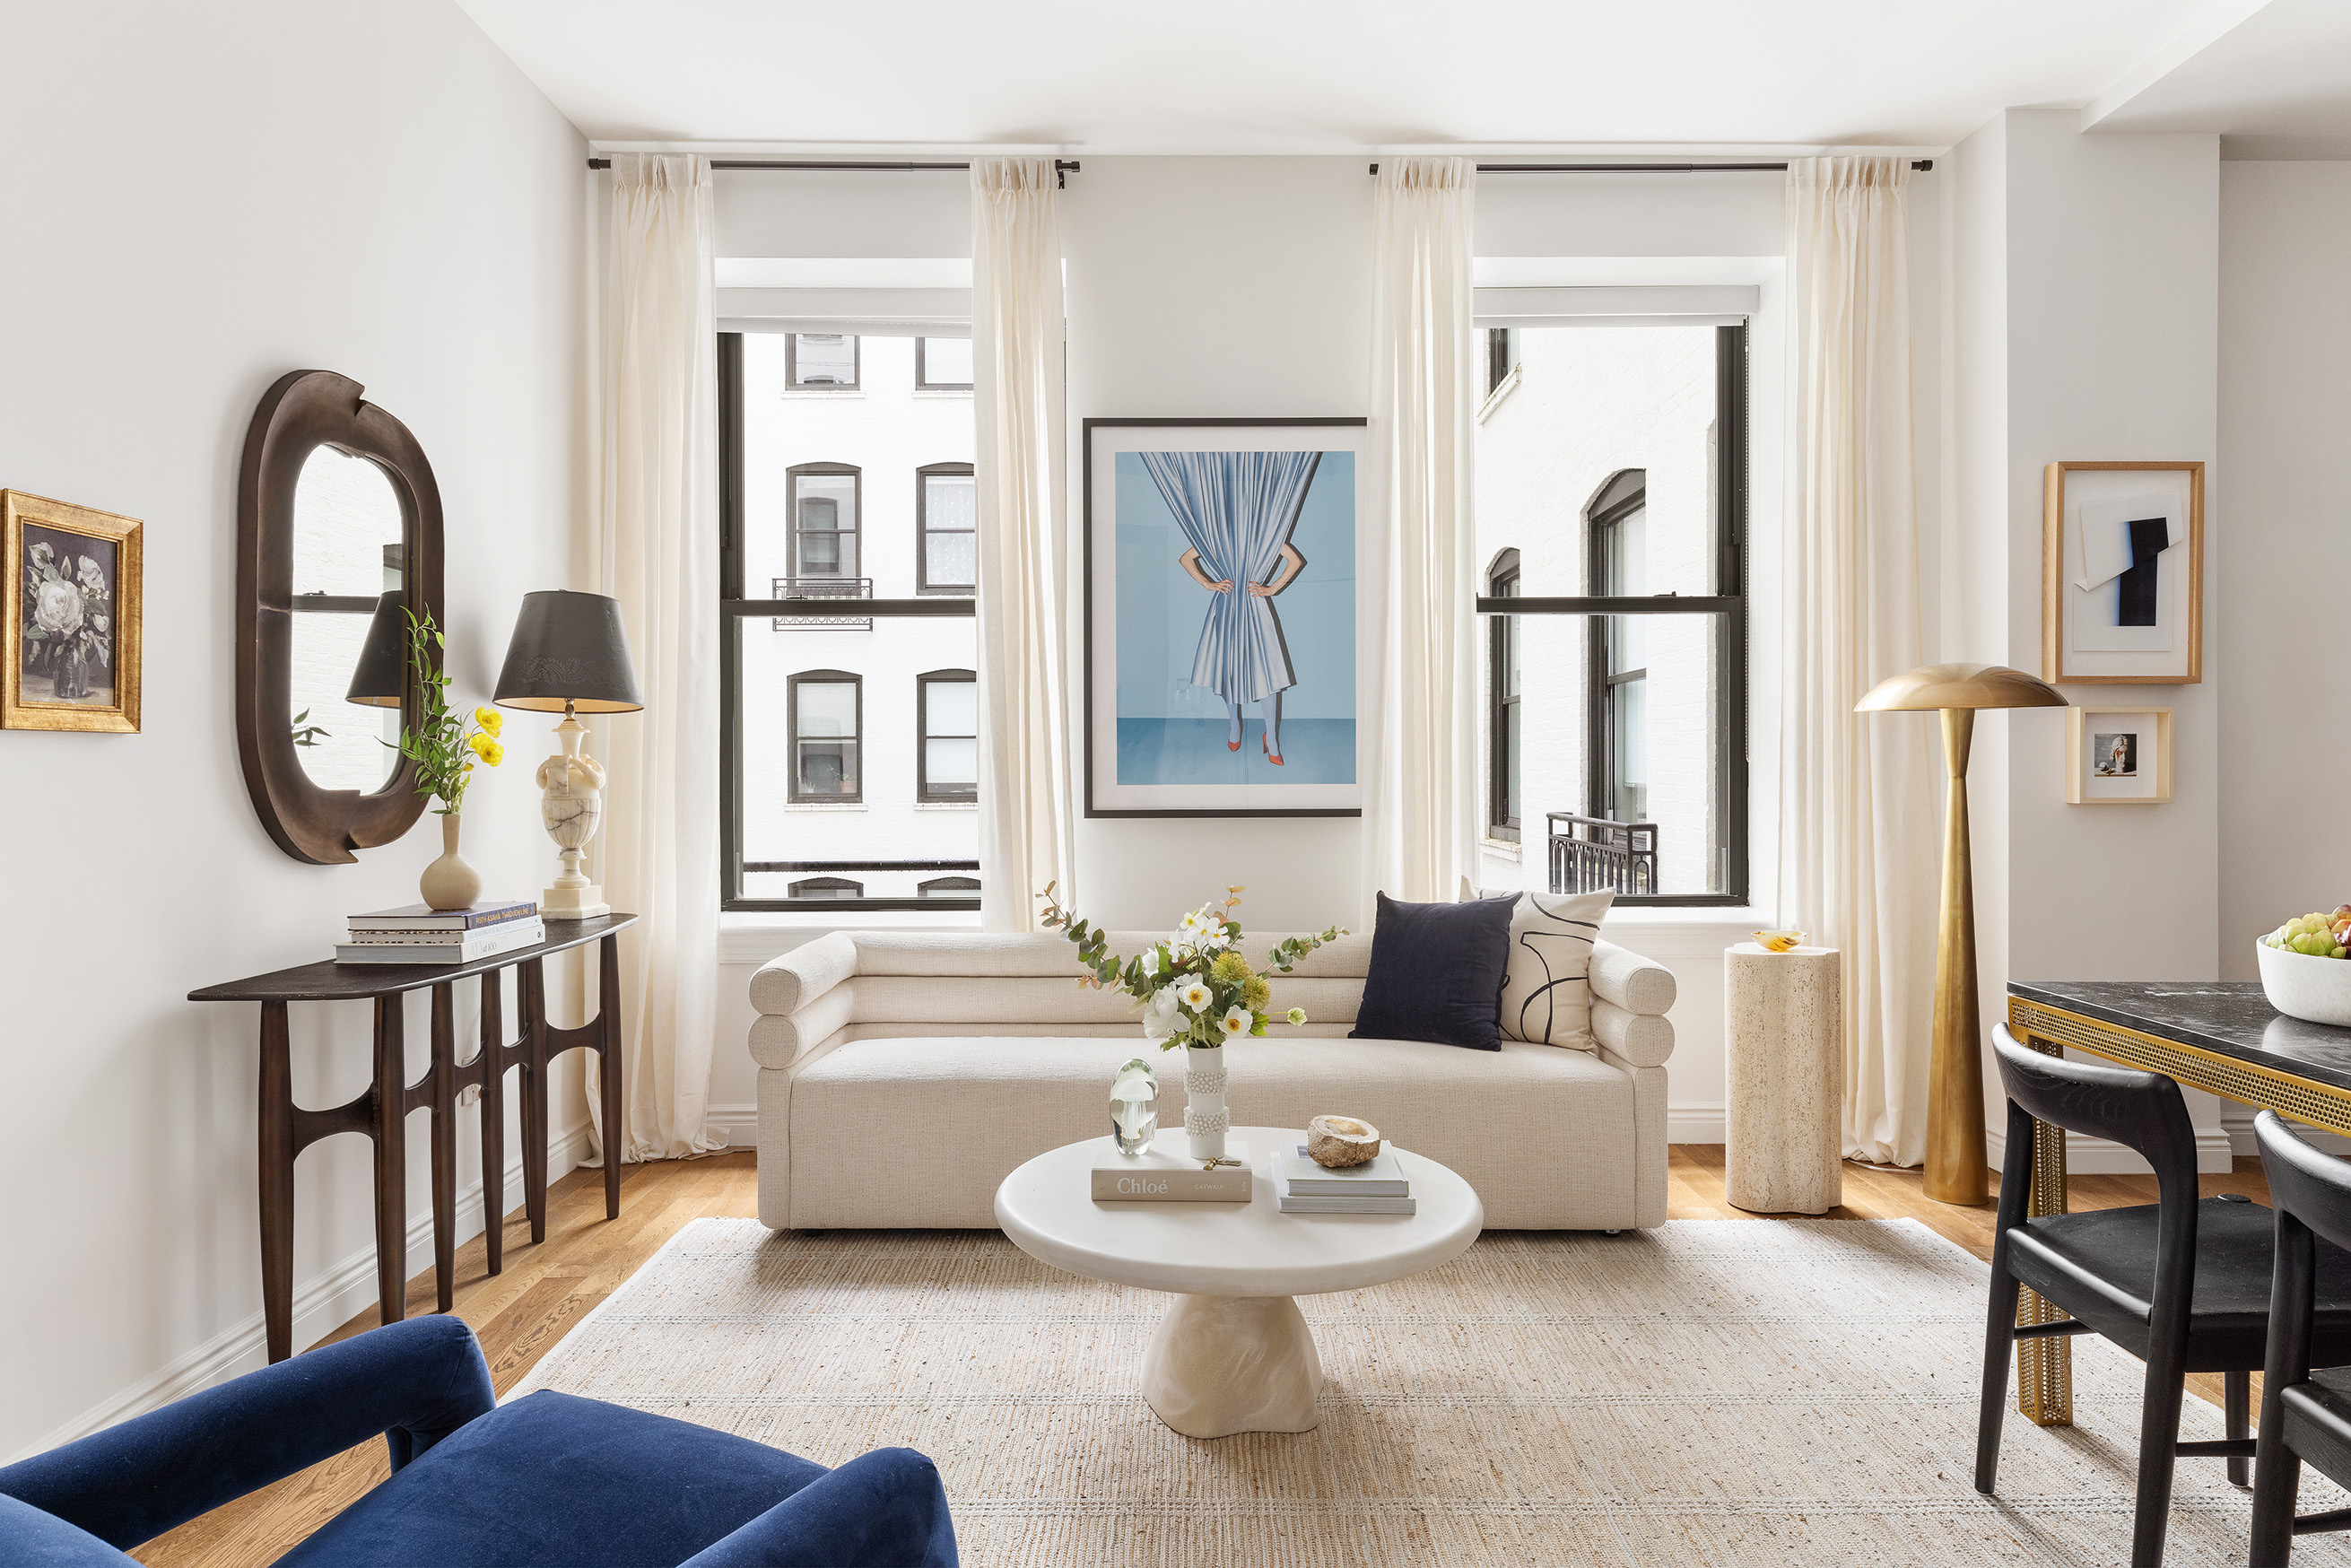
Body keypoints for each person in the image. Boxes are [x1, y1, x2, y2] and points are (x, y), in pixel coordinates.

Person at [1179, 540, 1305, 762]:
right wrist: (1208, 584)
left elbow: (1295, 561)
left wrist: (1272, 589)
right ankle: (1234, 725)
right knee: (1229, 669)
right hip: (1226, 608)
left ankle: (1272, 738)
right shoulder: (1216, 533)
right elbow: (1185, 559)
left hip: (1256, 608)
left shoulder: (1265, 532)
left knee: (1267, 672)